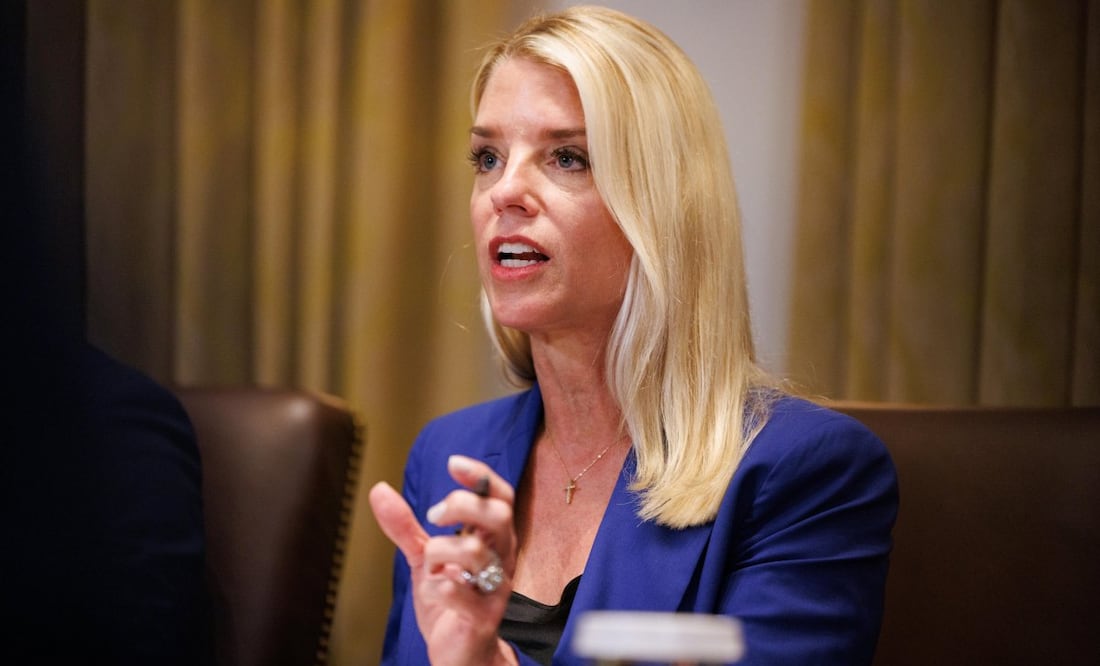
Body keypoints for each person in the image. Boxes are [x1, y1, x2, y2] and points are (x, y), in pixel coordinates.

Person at [369, 6, 898, 665]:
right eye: (488, 157)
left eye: (567, 157)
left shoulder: (804, 473)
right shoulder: (446, 457)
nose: (505, 191)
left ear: (664, 205)